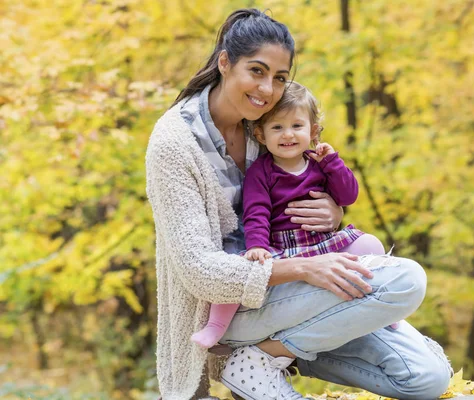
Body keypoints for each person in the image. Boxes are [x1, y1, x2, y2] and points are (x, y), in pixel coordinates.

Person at [145, 8, 452, 400]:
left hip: (293, 301)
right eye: (256, 71)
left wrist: (335, 212)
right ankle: (253, 358)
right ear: (224, 62)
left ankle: (273, 353)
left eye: (279, 77)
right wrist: (305, 268)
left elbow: (310, 180)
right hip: (228, 309)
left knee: (426, 378)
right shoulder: (175, 143)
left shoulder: (266, 121)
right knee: (407, 279)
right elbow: (198, 271)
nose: (268, 89)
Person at [191, 81, 386, 350]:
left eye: (296, 126)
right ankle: (215, 327)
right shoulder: (262, 171)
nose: (288, 135)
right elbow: (256, 211)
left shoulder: (320, 164)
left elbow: (348, 196)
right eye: (277, 128)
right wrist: (257, 246)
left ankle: (380, 306)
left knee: (371, 246)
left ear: (313, 131)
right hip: (283, 248)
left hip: (321, 244)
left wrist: (333, 163)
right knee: (238, 271)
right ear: (261, 135)